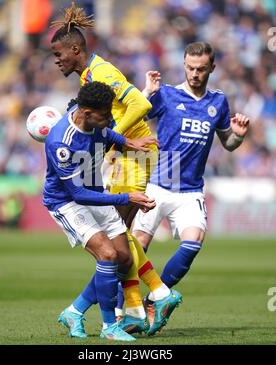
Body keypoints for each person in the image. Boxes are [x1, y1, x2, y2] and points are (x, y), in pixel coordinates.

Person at [50, 2, 182, 336]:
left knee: (116, 246)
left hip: (131, 157)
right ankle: (139, 306)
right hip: (125, 154)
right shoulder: (90, 76)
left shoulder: (102, 73)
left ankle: (149, 299)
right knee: (118, 244)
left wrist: (112, 139)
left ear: (75, 49)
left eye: (58, 53)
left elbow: (140, 104)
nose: (56, 60)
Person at [132, 42, 250, 307]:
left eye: (201, 69)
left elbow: (228, 143)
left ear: (212, 68)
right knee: (136, 245)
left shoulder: (218, 101)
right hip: (159, 183)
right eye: (190, 68)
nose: (194, 73)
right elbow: (135, 112)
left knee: (193, 242)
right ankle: (122, 308)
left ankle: (153, 300)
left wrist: (238, 137)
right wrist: (147, 91)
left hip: (190, 189)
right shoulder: (168, 95)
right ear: (184, 65)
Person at [43, 81, 158, 342]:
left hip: (97, 194)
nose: (109, 120)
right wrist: (127, 197)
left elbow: (107, 134)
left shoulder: (96, 122)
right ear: (85, 113)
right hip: (67, 202)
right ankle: (109, 327)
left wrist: (130, 141)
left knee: (125, 260)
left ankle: (75, 311)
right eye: (104, 116)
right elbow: (78, 194)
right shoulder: (62, 143)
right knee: (107, 255)